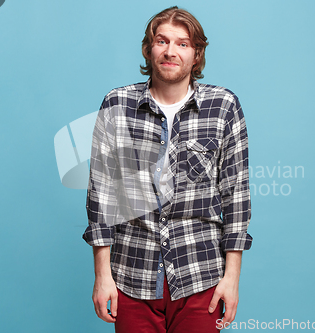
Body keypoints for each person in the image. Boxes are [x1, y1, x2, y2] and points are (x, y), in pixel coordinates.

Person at [83, 6, 252, 332]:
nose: (171, 51)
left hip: (201, 279)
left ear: (196, 54)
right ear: (149, 49)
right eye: (162, 41)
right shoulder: (117, 104)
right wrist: (102, 277)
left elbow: (236, 197)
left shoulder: (224, 107)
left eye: (182, 43)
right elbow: (101, 196)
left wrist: (232, 279)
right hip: (132, 277)